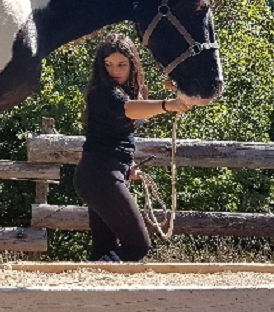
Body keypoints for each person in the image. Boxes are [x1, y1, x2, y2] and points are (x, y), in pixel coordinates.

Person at [74, 33, 191, 262]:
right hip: (100, 177)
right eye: (108, 65)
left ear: (132, 65)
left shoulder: (124, 93)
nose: (114, 71)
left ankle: (95, 287)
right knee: (137, 245)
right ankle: (89, 279)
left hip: (102, 175)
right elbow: (128, 109)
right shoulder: (102, 93)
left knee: (105, 247)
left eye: (121, 65)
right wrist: (169, 105)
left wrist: (127, 167)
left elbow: (119, 131)